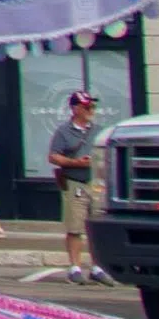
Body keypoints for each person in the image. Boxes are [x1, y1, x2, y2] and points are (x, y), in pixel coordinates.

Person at [48, 89, 107, 282]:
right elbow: (53, 156)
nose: (91, 109)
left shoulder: (99, 130)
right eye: (86, 106)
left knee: (97, 226)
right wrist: (76, 163)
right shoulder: (64, 131)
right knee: (75, 227)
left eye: (92, 106)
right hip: (75, 182)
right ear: (75, 109)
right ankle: (75, 267)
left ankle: (98, 267)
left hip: (96, 183)